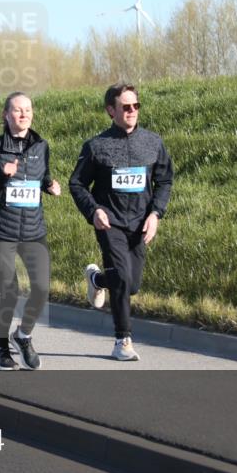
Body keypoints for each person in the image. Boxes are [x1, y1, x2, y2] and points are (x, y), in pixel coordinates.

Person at [69, 83, 173, 361]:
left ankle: (96, 279)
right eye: (125, 107)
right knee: (123, 280)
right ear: (110, 110)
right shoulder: (96, 146)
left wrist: (155, 214)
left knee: (132, 285)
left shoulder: (153, 143)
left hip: (140, 224)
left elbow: (164, 181)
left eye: (136, 106)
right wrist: (94, 211)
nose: (132, 111)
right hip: (110, 222)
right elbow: (77, 183)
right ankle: (122, 341)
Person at [0, 92, 61, 370]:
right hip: (1, 232)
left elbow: (41, 177)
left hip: (33, 230)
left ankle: (23, 335)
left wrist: (49, 185)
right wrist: (1, 177)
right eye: (18, 110)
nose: (24, 115)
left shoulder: (41, 146)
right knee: (10, 291)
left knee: (42, 289)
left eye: (28, 110)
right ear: (6, 115)